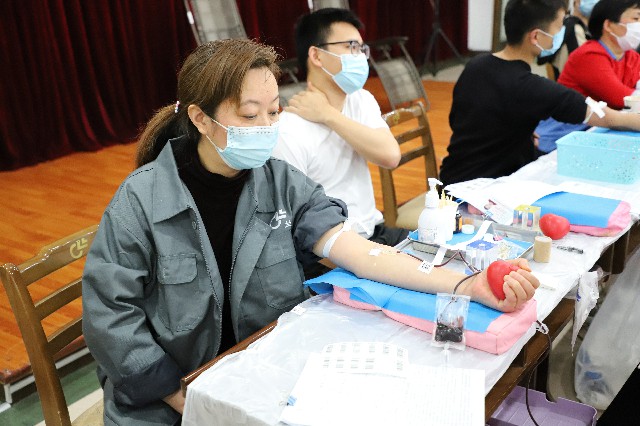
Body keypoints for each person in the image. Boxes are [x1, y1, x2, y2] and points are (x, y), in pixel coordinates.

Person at [82, 39, 540, 425]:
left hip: (262, 375)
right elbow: (109, 315)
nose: (267, 128)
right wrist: (180, 396)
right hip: (169, 401)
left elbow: (360, 253)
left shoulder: (281, 182)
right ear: (201, 119)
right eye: (249, 116)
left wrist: (465, 285)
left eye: (274, 112)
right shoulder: (142, 200)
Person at [438, 0, 640, 187]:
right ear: (535, 36)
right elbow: (609, 118)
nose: (562, 33)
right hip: (480, 192)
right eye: (559, 27)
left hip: (451, 177)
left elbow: (457, 119)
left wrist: (519, 133)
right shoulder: (532, 88)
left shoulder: (475, 65)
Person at [272, 8, 407, 247]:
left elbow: (390, 156)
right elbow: (292, 223)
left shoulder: (360, 99)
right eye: (351, 47)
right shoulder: (289, 129)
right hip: (330, 250)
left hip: (373, 231)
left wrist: (328, 115)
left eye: (362, 49)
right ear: (316, 55)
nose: (361, 57)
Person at [536, 0, 640, 152]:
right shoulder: (589, 55)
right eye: (636, 18)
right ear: (608, 25)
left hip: (599, 131)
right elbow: (623, 99)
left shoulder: (631, 56)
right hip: (563, 136)